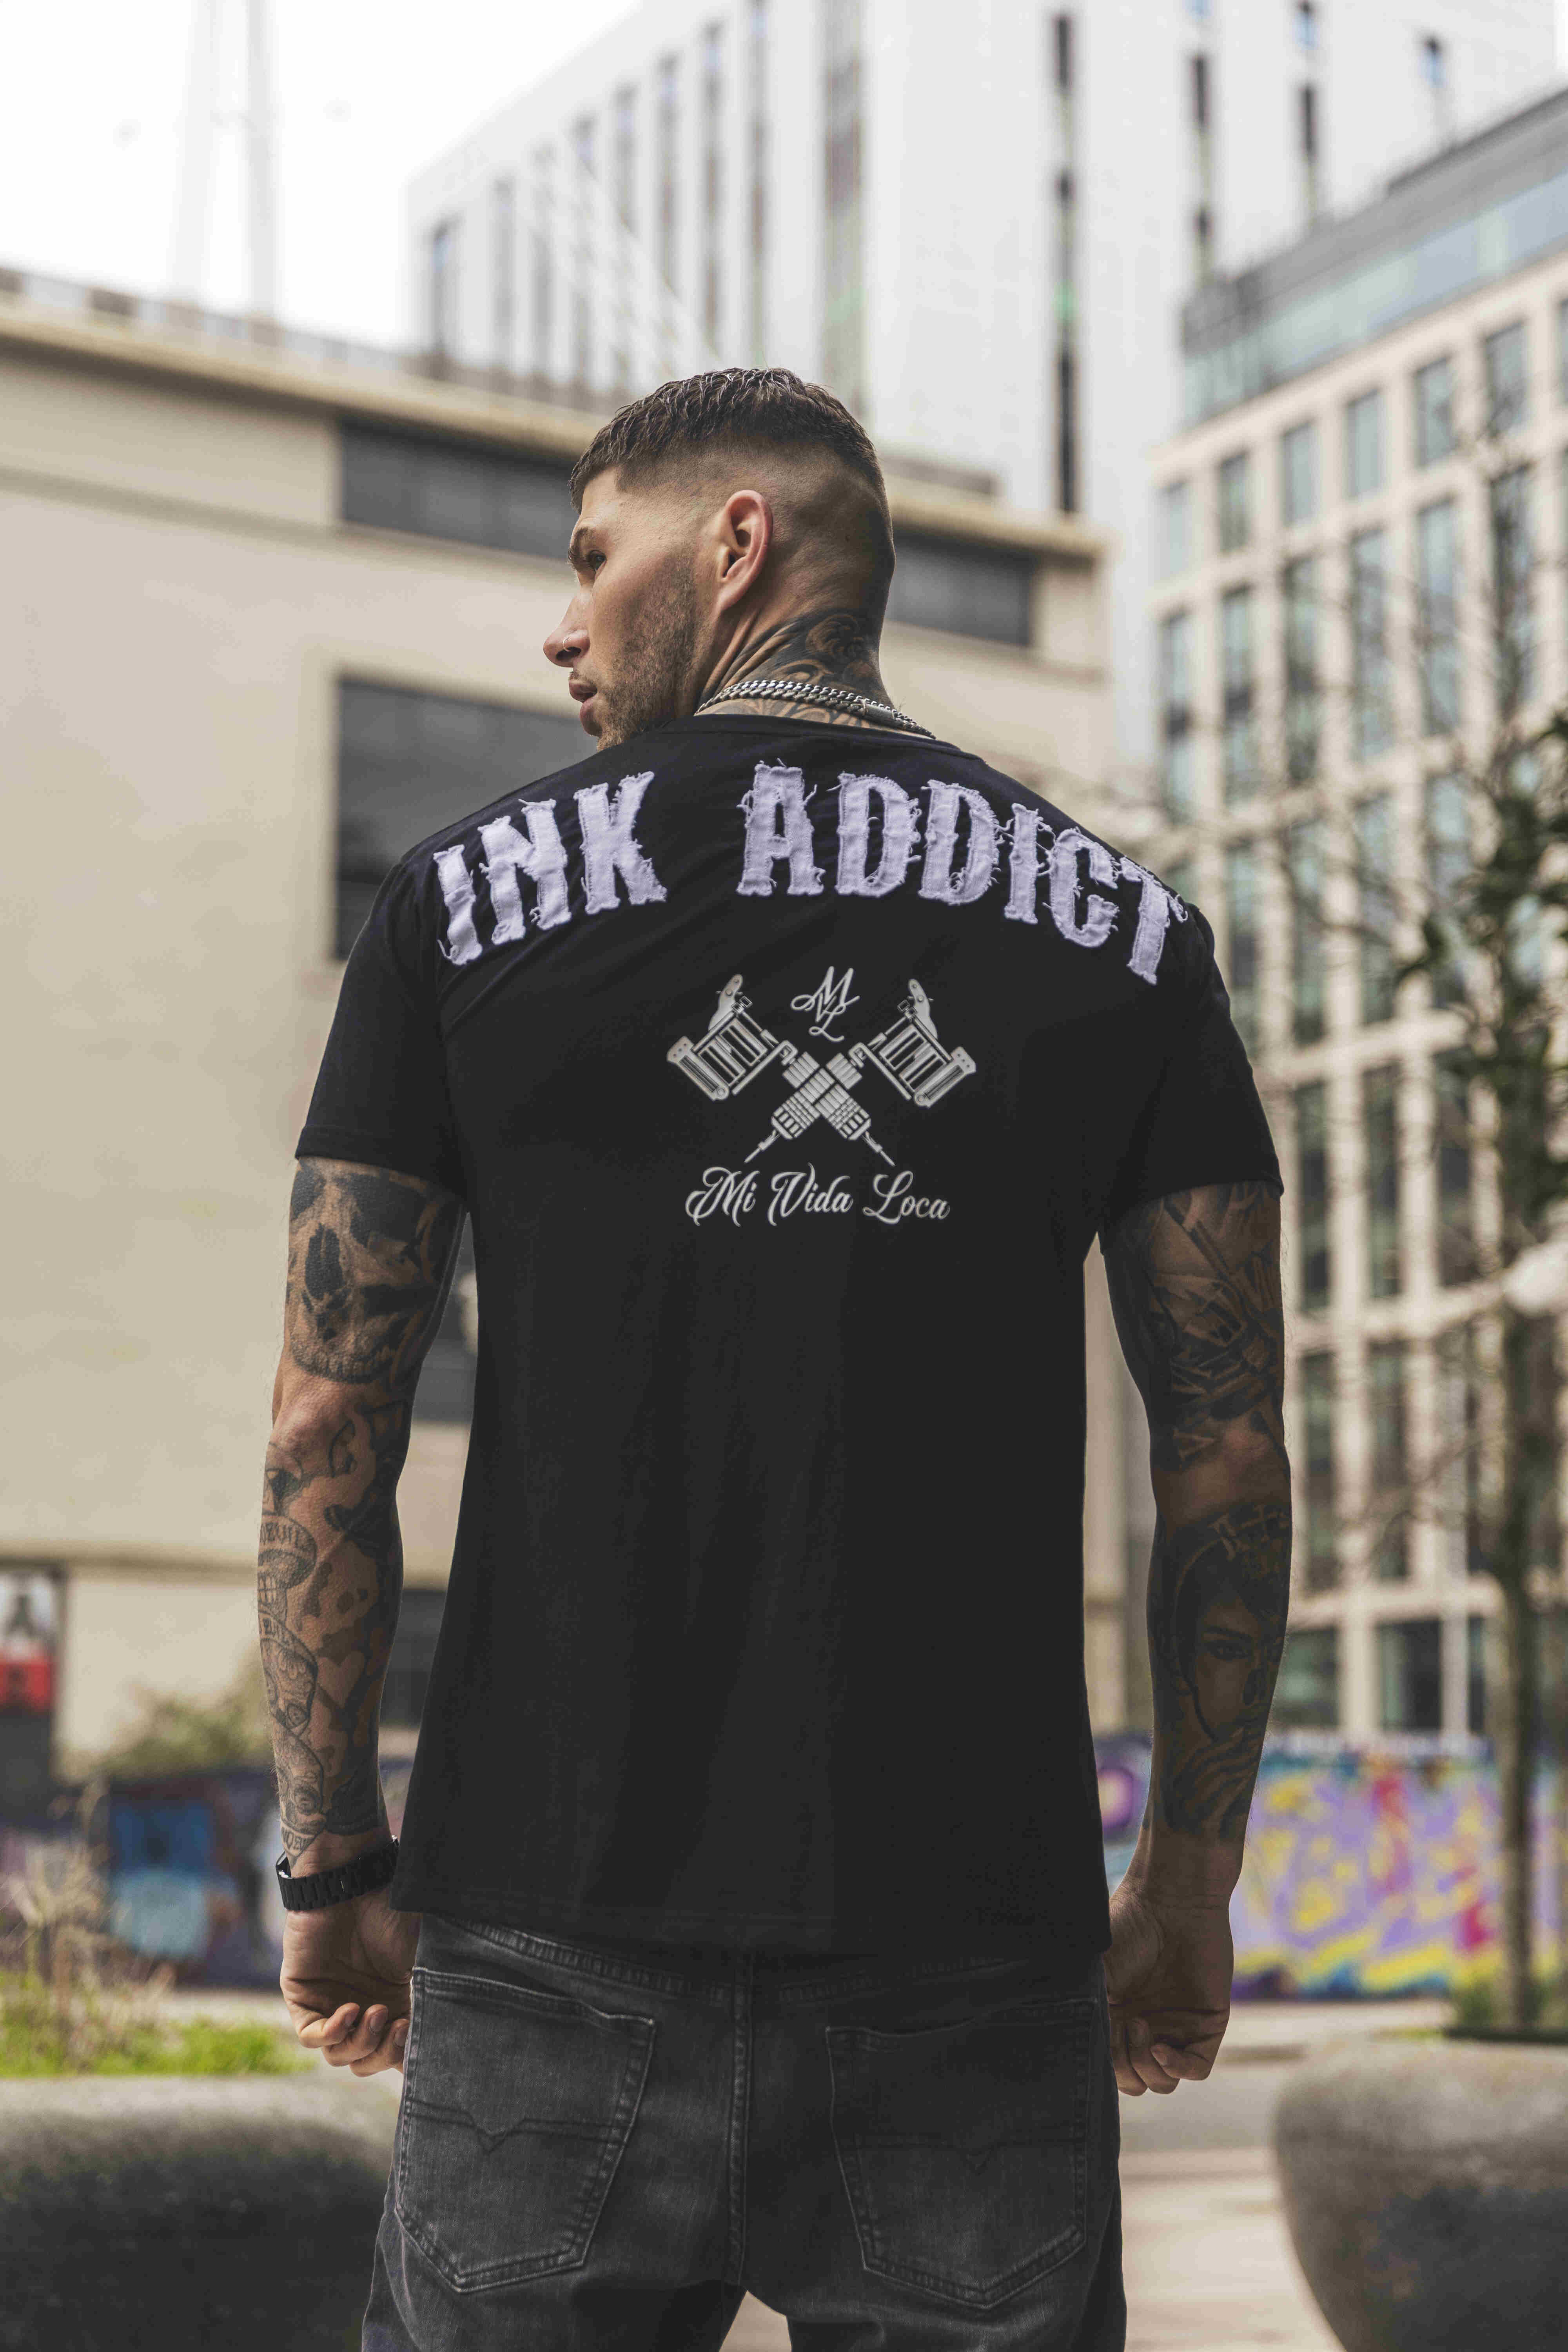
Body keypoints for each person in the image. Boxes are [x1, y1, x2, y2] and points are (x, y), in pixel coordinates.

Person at [256, 368, 1289, 2352]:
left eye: (592, 559)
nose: (562, 624)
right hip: (968, 1942)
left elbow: (326, 1426)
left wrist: (332, 1861)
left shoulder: (458, 907)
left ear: (735, 543)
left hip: (549, 1924)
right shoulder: (1131, 937)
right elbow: (1227, 1453)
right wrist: (1187, 1883)